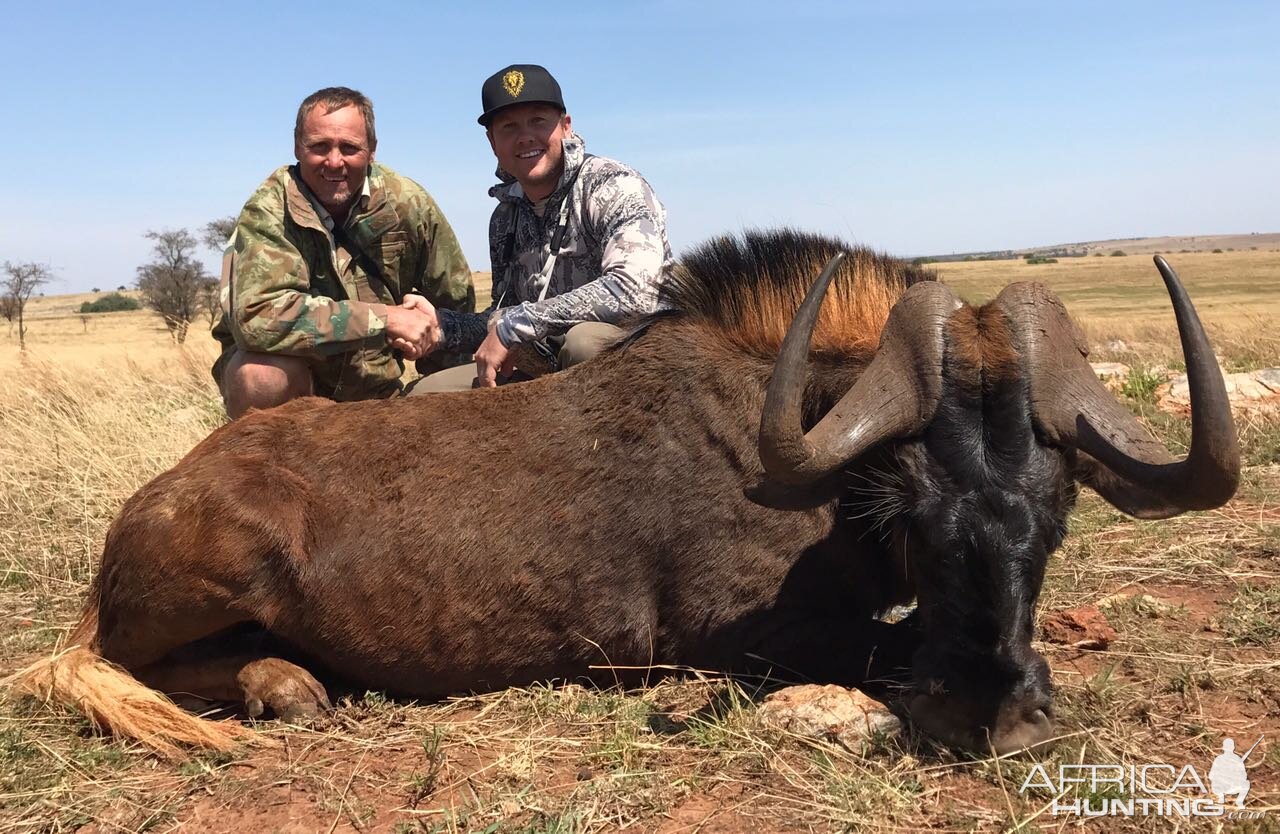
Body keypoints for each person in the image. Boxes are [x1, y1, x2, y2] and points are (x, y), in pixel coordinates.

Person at [213, 86, 475, 417]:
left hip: (379, 390)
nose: (334, 162)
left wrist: (436, 359)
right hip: (299, 386)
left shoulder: (410, 204)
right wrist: (387, 319)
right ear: (297, 146)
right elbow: (258, 317)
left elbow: (454, 303)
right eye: (319, 147)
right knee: (260, 377)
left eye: (349, 148)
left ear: (372, 150)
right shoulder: (267, 210)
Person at [411, 64, 672, 392]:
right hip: (540, 370)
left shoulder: (612, 184)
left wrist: (515, 326)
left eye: (538, 121)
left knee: (584, 344)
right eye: (508, 127)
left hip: (643, 369)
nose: (525, 137)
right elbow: (501, 316)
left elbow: (634, 292)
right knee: (426, 395)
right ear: (492, 142)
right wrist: (441, 327)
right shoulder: (505, 217)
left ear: (565, 126)